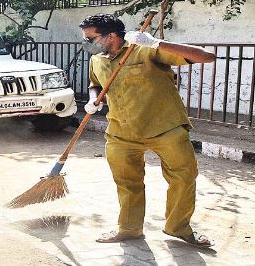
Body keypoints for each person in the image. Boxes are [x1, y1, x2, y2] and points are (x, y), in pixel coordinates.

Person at [79, 14, 216, 247]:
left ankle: (178, 227)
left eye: (90, 38)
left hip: (165, 126)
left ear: (111, 35)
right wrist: (93, 100)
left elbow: (206, 56)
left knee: (183, 178)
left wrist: (156, 43)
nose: (86, 43)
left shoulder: (144, 50)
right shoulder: (98, 60)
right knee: (126, 182)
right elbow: (97, 86)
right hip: (121, 131)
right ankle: (129, 229)